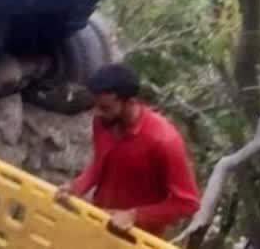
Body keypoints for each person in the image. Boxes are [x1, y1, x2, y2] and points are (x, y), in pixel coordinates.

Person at [55, 63, 200, 236]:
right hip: (100, 223)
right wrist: (77, 186)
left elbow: (187, 203)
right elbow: (101, 163)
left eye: (105, 108)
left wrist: (135, 215)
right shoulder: (103, 123)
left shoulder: (164, 141)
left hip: (138, 238)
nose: (97, 113)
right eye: (96, 106)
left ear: (130, 102)